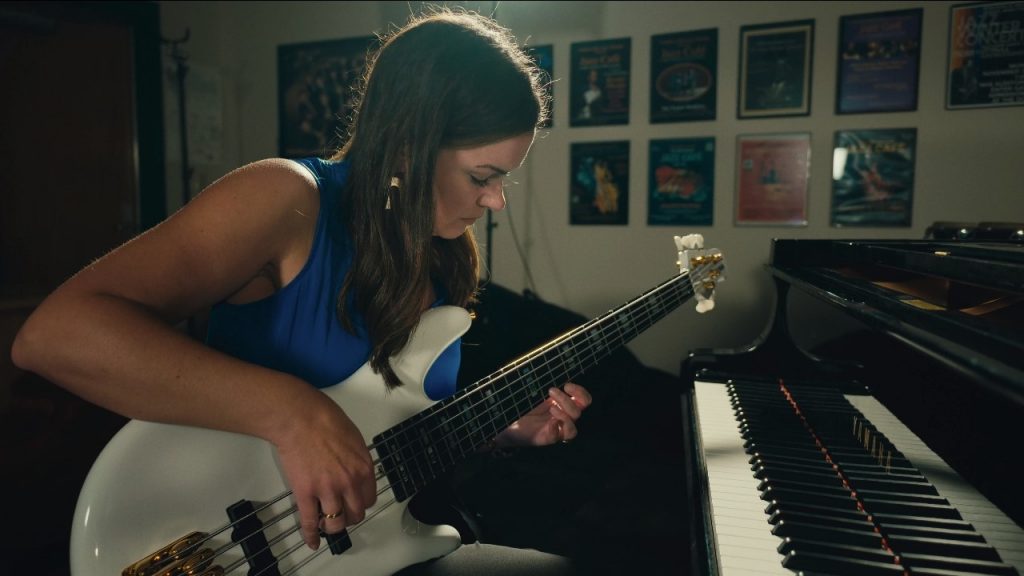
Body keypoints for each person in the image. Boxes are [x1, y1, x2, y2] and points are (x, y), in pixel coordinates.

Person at [12, 8, 590, 575]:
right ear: (410, 146)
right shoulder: (285, 197)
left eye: (502, 180)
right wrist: (292, 412)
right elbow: (55, 334)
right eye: (482, 177)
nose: (496, 202)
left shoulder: (442, 253)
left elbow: (390, 435)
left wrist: (495, 431)